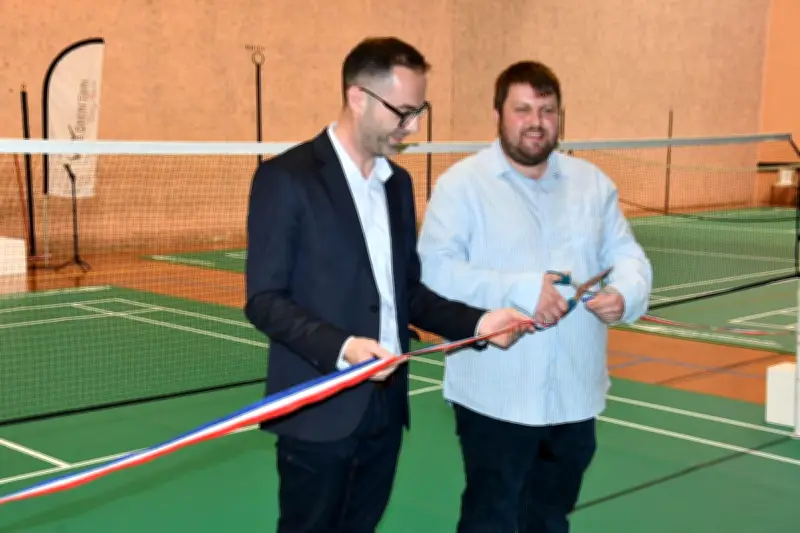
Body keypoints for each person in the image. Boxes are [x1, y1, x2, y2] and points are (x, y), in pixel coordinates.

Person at [244, 37, 534, 533]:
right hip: (319, 413)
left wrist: (480, 321)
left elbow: (408, 295)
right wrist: (344, 347)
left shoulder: (397, 185)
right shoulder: (286, 179)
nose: (413, 126)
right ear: (358, 97)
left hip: (384, 413)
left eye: (419, 111)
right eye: (403, 112)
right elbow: (264, 300)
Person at [417, 60, 653, 533]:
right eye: (522, 109)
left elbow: (628, 253)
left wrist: (626, 293)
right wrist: (522, 289)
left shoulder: (593, 185)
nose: (536, 122)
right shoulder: (461, 186)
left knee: (550, 517)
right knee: (493, 516)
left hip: (576, 395)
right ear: (498, 114)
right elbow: (434, 272)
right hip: (496, 398)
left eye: (547, 110)